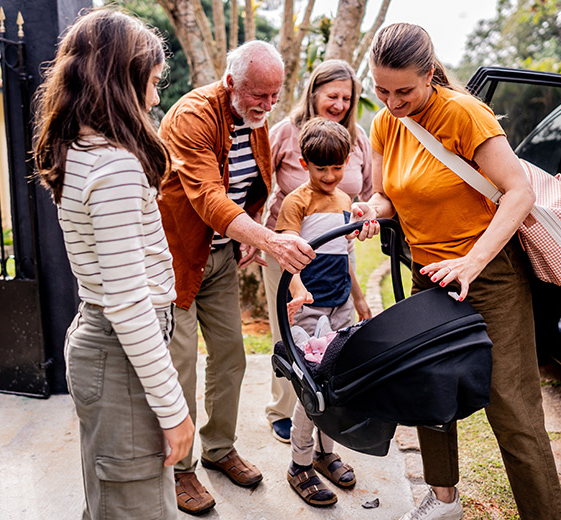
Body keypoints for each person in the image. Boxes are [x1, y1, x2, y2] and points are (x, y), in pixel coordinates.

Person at [356, 23, 561, 520]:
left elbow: (519, 192)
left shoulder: (465, 114)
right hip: (428, 274)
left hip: (489, 273)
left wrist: (473, 261)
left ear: (429, 74)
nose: (391, 102)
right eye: (381, 90)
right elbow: (389, 196)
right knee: (429, 387)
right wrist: (370, 208)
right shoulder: (387, 123)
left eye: (404, 91)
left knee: (512, 409)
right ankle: (444, 499)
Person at [32, 9, 193, 519]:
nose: (155, 96)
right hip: (121, 349)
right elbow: (128, 302)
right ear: (123, 79)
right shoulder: (115, 165)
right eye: (150, 81)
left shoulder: (79, 150)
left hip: (105, 346)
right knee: (136, 505)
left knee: (113, 499)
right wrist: (174, 409)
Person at [156, 40, 318, 515]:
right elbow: (207, 196)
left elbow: (254, 183)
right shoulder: (193, 116)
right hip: (179, 262)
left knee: (230, 357)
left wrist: (250, 226)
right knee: (181, 366)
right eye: (259, 95)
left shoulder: (256, 122)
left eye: (275, 95)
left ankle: (219, 448)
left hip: (222, 258)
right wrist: (270, 240)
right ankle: (180, 469)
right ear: (230, 84)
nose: (268, 105)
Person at [263, 59, 373, 443]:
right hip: (290, 251)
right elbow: (263, 180)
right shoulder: (285, 134)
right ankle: (291, 419)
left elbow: (368, 194)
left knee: (333, 352)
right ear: (314, 93)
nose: (340, 103)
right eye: (332, 95)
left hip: (337, 248)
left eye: (347, 97)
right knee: (295, 342)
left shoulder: (356, 140)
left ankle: (327, 424)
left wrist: (365, 214)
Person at [278, 118, 362, 507]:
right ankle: (299, 464)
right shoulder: (298, 202)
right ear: (303, 162)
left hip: (341, 305)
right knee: (311, 391)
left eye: (337, 167)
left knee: (337, 385)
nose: (329, 176)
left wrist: (359, 301)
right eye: (320, 167)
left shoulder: (345, 202)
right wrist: (298, 291)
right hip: (311, 310)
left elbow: (346, 257)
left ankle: (326, 453)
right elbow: (286, 256)